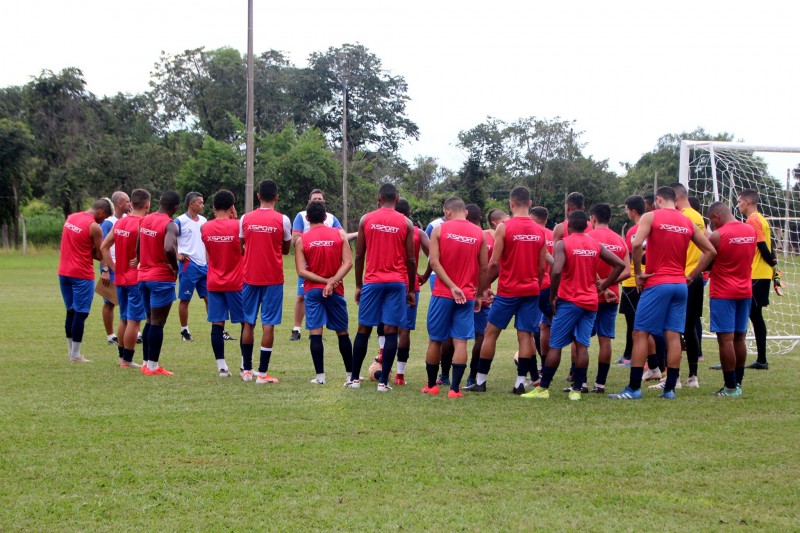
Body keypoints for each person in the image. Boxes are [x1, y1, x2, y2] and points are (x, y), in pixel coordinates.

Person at [609, 186, 716, 400]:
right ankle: (669, 390)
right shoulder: (686, 220)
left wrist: (638, 273)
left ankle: (633, 388)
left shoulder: (650, 217)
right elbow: (711, 251)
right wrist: (692, 275)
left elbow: (637, 243)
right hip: (679, 285)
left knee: (640, 333)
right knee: (674, 335)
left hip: (657, 283)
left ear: (658, 199)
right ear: (674, 200)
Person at [523, 210, 626, 400]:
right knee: (582, 346)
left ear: (568, 226)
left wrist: (553, 296)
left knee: (555, 346)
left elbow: (556, 271)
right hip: (590, 302)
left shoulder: (564, 243)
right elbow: (620, 264)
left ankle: (543, 389)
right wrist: (604, 285)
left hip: (570, 301)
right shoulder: (595, 244)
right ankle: (577, 390)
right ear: (586, 226)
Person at [463, 186, 546, 394]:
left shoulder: (504, 228)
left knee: (491, 333)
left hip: (509, 289)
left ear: (511, 203)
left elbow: (494, 264)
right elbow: (543, 266)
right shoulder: (540, 230)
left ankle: (480, 381)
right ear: (530, 202)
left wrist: (481, 289)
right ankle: (519, 383)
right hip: (531, 289)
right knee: (525, 335)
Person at [347, 183, 416, 392]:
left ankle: (354, 379)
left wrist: (359, 284)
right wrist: (411, 289)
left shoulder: (366, 219)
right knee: (391, 330)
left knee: (363, 329)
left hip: (373, 281)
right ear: (396, 199)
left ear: (378, 198)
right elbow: (411, 260)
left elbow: (359, 255)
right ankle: (383, 382)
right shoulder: (406, 223)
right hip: (396, 282)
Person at [423, 197, 487, 398]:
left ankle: (432, 386)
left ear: (447, 211)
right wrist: (478, 293)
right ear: (465, 212)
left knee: (435, 340)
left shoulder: (439, 230)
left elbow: (433, 262)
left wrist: (451, 287)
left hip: (443, 293)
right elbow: (484, 267)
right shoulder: (479, 233)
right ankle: (454, 389)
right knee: (461, 342)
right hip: (467, 295)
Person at [295, 200, 354, 385]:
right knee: (342, 332)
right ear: (325, 216)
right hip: (336, 290)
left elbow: (301, 271)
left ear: (306, 218)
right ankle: (350, 375)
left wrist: (323, 281)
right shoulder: (339, 235)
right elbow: (348, 263)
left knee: (315, 333)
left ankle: (320, 377)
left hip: (312, 291)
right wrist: (332, 281)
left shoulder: (301, 240)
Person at [239, 179, 292, 384]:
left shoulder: (245, 218)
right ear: (276, 198)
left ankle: (246, 370)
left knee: (248, 323)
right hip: (273, 278)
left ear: (258, 196)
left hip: (249, 276)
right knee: (268, 324)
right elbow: (286, 249)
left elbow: (241, 244)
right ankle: (262, 374)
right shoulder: (283, 220)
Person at [706, 201, 756, 397]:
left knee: (725, 339)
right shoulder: (750, 230)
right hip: (745, 289)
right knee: (740, 338)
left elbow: (707, 262)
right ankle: (738, 384)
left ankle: (729, 387)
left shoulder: (718, 235)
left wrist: (692, 275)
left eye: (712, 220)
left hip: (723, 292)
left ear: (716, 216)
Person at [58, 198, 113, 363]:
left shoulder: (71, 218)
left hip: (64, 272)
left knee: (70, 311)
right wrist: (105, 269)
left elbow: (74, 244)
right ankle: (75, 355)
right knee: (81, 313)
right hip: (81, 274)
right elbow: (100, 252)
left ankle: (71, 352)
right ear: (101, 212)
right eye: (105, 217)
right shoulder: (94, 227)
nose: (103, 221)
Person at [583, 203, 630, 393]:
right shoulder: (620, 240)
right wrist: (608, 283)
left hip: (588, 296)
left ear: (592, 218)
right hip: (612, 297)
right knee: (605, 340)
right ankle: (600, 383)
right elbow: (627, 271)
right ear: (610, 219)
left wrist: (600, 285)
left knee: (582, 340)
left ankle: (581, 382)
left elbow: (583, 266)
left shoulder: (587, 237)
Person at [100, 189, 150, 368]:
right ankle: (127, 361)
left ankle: (122, 358)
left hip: (120, 278)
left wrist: (114, 268)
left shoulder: (120, 223)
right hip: (136, 278)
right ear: (147, 204)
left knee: (123, 319)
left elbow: (104, 247)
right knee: (134, 321)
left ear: (132, 203)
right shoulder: (143, 224)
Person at [290, 189, 343, 342]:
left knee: (327, 295)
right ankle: (296, 329)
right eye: (314, 199)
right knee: (302, 296)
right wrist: (313, 242)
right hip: (308, 266)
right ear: (309, 201)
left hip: (327, 265)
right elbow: (295, 238)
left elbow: (342, 236)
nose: (317, 201)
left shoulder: (331, 218)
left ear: (324, 201)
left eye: (320, 199)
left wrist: (357, 234)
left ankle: (319, 331)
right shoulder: (301, 216)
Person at [201, 189, 245, 377]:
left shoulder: (205, 227)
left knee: (217, 324)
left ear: (213, 207)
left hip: (214, 281)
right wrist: (235, 219)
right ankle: (245, 363)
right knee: (246, 323)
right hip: (236, 282)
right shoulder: (238, 226)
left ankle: (221, 367)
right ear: (232, 207)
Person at [138, 191, 182, 376]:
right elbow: (168, 248)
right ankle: (154, 367)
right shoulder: (170, 225)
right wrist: (174, 267)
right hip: (161, 278)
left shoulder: (145, 219)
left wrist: (143, 262)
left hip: (143, 275)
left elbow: (138, 246)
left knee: (149, 320)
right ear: (176, 208)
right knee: (158, 322)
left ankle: (146, 363)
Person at [465, 206, 508, 388]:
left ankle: (444, 376)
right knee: (481, 336)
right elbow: (495, 266)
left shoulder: (462, 235)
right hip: (481, 294)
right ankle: (473, 377)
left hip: (457, 291)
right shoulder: (490, 237)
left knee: (451, 337)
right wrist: (483, 288)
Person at [737, 189, 778, 370]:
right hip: (761, 275)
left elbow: (762, 246)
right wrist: (773, 267)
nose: (738, 205)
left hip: (755, 275)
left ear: (747, 201)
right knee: (755, 315)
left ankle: (736, 357)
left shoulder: (753, 220)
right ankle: (761, 360)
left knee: (745, 315)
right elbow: (770, 246)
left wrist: (773, 265)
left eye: (739, 202)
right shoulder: (761, 219)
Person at [671, 183, 706, 387]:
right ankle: (693, 376)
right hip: (695, 277)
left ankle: (673, 378)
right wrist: (696, 272)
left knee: (672, 328)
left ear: (675, 198)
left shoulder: (681, 218)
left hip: (680, 276)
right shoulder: (698, 217)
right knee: (690, 327)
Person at [393, 198, 429, 385]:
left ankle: (383, 366)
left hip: (389, 280)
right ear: (410, 214)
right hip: (410, 284)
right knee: (404, 330)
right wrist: (424, 275)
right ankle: (400, 375)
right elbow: (435, 256)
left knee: (387, 326)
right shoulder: (418, 232)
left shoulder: (388, 230)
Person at [175, 191, 208, 342]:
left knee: (210, 298)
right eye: (200, 202)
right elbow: (169, 240)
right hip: (189, 265)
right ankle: (184, 331)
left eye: (203, 202)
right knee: (185, 299)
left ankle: (218, 328)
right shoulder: (179, 221)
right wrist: (177, 254)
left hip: (204, 265)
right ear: (191, 204)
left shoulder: (204, 221)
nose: (202, 205)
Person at [99, 191, 131, 345]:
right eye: (127, 202)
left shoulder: (128, 219)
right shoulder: (108, 223)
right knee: (110, 302)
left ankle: (133, 331)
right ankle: (111, 335)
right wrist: (105, 270)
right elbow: (102, 247)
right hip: (111, 268)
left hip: (126, 268)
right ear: (119, 204)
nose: (130, 204)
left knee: (128, 300)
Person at [530, 206, 554, 372]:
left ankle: (541, 366)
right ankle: (548, 364)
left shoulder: (533, 233)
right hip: (551, 286)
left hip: (534, 284)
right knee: (548, 324)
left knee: (532, 330)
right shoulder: (553, 234)